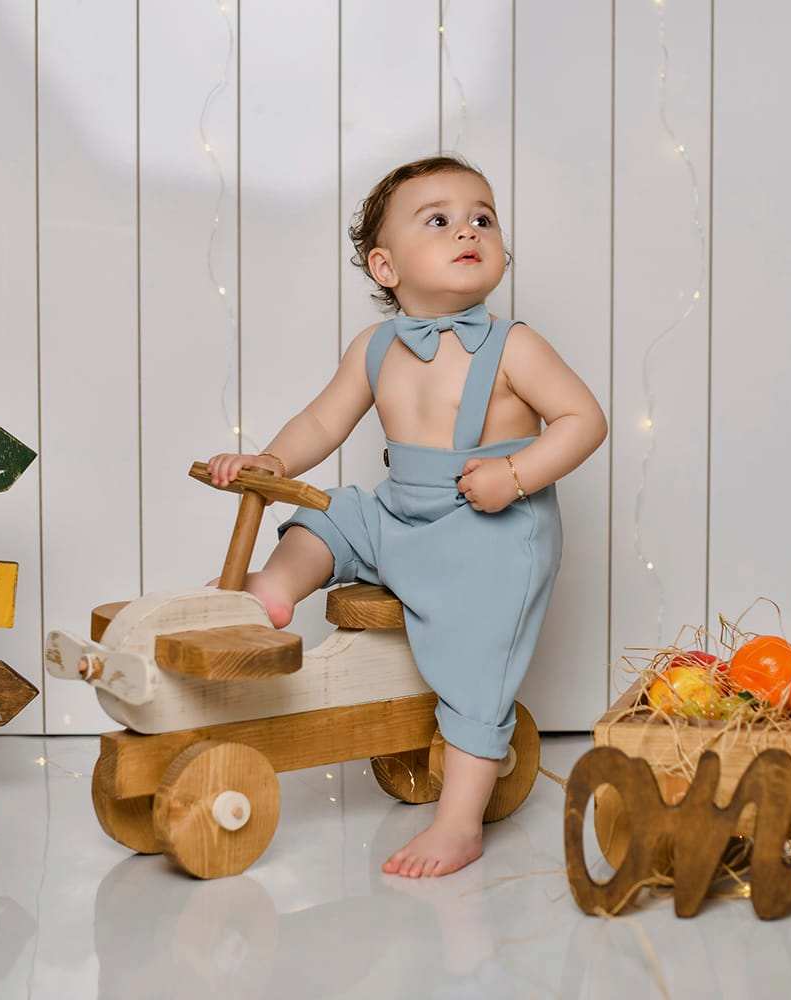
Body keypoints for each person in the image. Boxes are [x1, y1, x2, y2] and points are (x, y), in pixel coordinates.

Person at [204, 154, 607, 877]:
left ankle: (459, 824)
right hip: (404, 511)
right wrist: (272, 459)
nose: (468, 231)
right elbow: (321, 421)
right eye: (440, 220)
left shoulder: (515, 345)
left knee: (476, 662)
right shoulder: (376, 347)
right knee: (334, 515)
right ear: (385, 266)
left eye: (483, 218)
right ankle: (272, 592)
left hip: (490, 532)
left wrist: (516, 475)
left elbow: (584, 420)